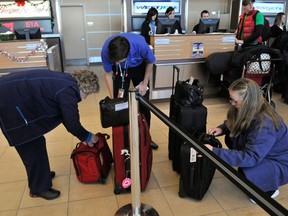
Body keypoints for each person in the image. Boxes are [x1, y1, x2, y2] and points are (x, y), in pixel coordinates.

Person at [0, 69, 100, 200]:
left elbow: (65, 117)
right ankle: (38, 188)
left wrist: (83, 136)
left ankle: (42, 176)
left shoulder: (66, 80)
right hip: (8, 101)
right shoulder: (68, 91)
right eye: (87, 94)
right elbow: (72, 122)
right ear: (84, 88)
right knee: (31, 145)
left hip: (12, 95)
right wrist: (87, 136)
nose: (85, 98)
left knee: (36, 141)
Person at [206, 78, 288, 202]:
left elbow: (251, 157)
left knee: (249, 168)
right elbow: (237, 122)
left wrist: (215, 152)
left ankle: (269, 190)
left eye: (235, 101)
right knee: (232, 139)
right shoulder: (250, 107)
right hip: (267, 152)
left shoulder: (265, 124)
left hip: (280, 161)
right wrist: (222, 129)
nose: (232, 104)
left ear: (247, 101)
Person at [101, 33, 158, 149]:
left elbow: (150, 62)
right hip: (120, 72)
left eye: (119, 60)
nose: (117, 62)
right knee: (119, 105)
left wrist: (144, 83)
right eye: (115, 61)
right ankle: (123, 138)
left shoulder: (140, 45)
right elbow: (107, 74)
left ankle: (146, 137)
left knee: (144, 104)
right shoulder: (106, 50)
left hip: (139, 67)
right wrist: (113, 98)